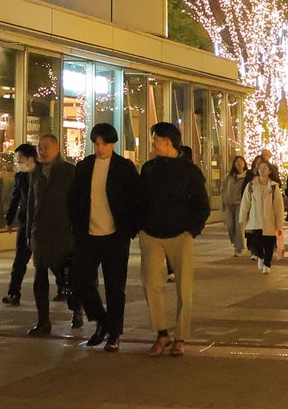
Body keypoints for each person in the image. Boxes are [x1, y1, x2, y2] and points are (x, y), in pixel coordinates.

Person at [137, 121, 210, 357]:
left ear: (167, 142)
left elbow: (202, 204)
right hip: (151, 234)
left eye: (155, 140)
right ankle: (162, 333)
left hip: (180, 234)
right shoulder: (149, 168)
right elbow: (140, 198)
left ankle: (180, 336)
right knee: (150, 284)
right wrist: (141, 226)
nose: (153, 144)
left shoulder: (189, 171)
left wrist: (191, 230)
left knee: (184, 288)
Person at [68, 122, 139, 352]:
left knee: (115, 287)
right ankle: (103, 321)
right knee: (81, 281)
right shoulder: (85, 166)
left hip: (115, 236)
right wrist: (76, 227)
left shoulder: (124, 167)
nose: (99, 148)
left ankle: (113, 334)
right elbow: (74, 198)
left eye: (104, 144)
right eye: (96, 143)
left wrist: (130, 229)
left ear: (113, 143)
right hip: (88, 235)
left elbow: (135, 199)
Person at [26, 133, 81, 335]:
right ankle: (43, 321)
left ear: (57, 148)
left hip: (63, 232)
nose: (42, 151)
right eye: (39, 147)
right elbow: (31, 203)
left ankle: (76, 308)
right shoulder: (36, 173)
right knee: (40, 276)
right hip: (40, 232)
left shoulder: (69, 171)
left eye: (46, 147)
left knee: (66, 277)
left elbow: (77, 202)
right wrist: (29, 232)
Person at [3, 142, 37, 305]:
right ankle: (13, 292)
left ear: (31, 158)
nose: (18, 162)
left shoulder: (42, 174)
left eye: (20, 159)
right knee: (20, 259)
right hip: (25, 221)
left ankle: (63, 287)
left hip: (41, 222)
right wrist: (9, 220)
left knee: (49, 260)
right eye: (17, 159)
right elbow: (15, 197)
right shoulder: (20, 176)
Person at [239, 156, 285, 272]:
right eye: (260, 168)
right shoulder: (251, 185)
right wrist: (242, 218)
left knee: (269, 244)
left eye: (265, 168)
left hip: (269, 220)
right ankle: (260, 256)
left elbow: (279, 207)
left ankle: (267, 265)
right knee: (256, 243)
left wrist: (279, 224)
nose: (262, 170)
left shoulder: (273, 187)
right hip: (255, 220)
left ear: (269, 171)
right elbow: (245, 202)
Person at [221, 155, 250, 255]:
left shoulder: (247, 177)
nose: (239, 163)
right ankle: (236, 243)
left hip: (240, 204)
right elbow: (223, 188)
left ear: (244, 163)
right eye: (237, 161)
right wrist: (224, 198)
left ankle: (239, 248)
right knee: (230, 226)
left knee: (239, 226)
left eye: (241, 161)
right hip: (229, 204)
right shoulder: (229, 176)